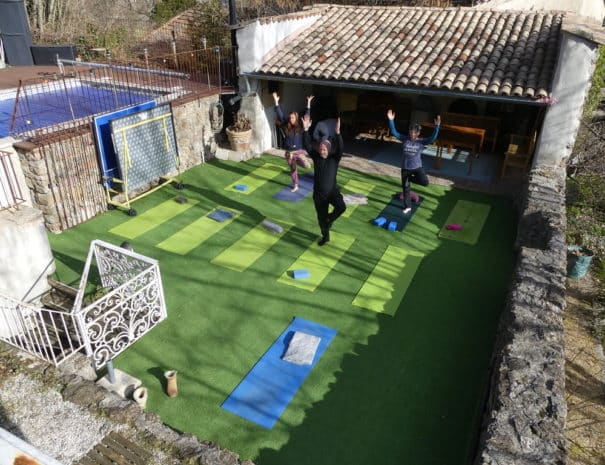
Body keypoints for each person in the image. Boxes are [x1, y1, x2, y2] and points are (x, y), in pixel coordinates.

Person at [302, 113, 346, 246]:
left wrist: (338, 133)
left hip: (332, 192)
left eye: (324, 149)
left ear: (329, 149)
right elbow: (308, 146)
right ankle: (325, 236)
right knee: (321, 220)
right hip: (319, 195)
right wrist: (305, 130)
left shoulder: (334, 159)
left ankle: (330, 218)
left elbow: (341, 148)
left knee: (341, 207)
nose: (322, 150)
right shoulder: (316, 158)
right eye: (320, 148)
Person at [387, 110, 440, 214]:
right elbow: (394, 132)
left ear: (418, 133)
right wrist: (391, 120)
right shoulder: (405, 139)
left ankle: (409, 179)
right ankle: (408, 206)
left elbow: (433, 138)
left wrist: (437, 126)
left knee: (425, 182)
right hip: (405, 168)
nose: (412, 134)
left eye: (414, 132)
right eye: (411, 132)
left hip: (417, 168)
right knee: (406, 188)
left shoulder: (422, 142)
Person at [273, 92, 313, 192]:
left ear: (296, 118)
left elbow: (307, 116)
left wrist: (308, 103)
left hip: (298, 152)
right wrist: (276, 102)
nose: (291, 119)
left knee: (307, 166)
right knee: (293, 170)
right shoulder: (286, 126)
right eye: (290, 117)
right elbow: (280, 115)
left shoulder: (300, 127)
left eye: (293, 118)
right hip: (289, 153)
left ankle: (298, 161)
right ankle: (296, 185)